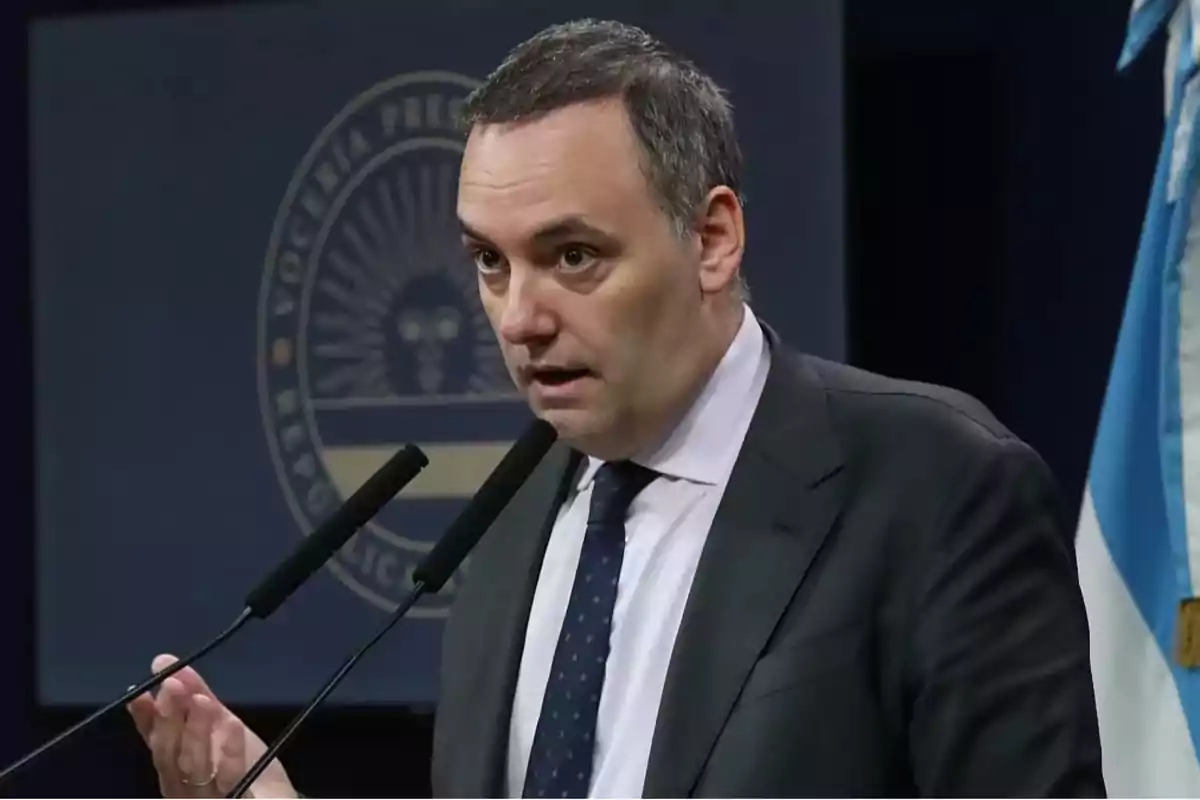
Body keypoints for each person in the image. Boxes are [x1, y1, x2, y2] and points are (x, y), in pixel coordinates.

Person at [127, 17, 1106, 798]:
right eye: (489, 262)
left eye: (573, 256)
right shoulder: (508, 517)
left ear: (714, 238)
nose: (520, 317)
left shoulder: (939, 490)